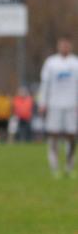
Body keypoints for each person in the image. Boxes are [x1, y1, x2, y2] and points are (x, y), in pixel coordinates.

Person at [38, 38, 78, 178]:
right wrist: (42, 103)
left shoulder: (75, 63)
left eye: (67, 45)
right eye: (62, 45)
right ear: (58, 46)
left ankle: (69, 165)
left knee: (71, 136)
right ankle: (54, 165)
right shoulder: (51, 63)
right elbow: (45, 84)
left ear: (70, 46)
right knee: (53, 135)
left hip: (71, 105)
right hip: (54, 105)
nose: (64, 47)